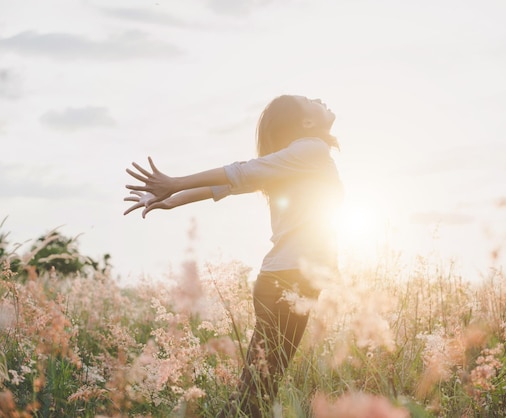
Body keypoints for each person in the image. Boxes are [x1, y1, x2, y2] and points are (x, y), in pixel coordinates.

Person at [124, 95, 343, 417]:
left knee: (260, 386)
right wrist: (174, 186)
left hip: (287, 278)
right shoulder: (310, 150)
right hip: (288, 280)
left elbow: (227, 185)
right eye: (309, 100)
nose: (319, 99)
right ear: (307, 122)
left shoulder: (294, 161)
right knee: (257, 391)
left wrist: (174, 198)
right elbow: (236, 175)